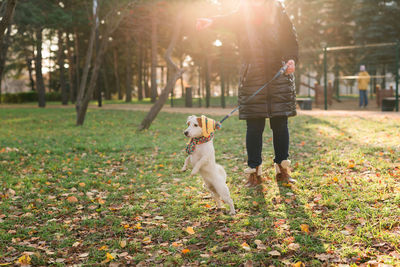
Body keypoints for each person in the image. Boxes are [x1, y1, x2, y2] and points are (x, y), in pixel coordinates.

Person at [196, 0, 298, 186]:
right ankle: (254, 172)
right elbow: (227, 20)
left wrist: (291, 59)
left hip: (279, 76)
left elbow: (290, 38)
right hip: (252, 78)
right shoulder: (242, 13)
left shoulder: (278, 11)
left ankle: (282, 169)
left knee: (280, 124)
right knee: (254, 127)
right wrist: (211, 21)